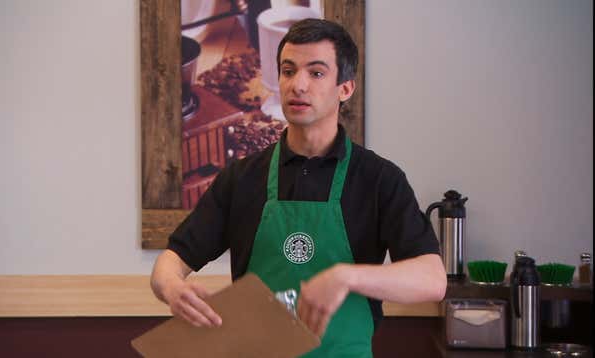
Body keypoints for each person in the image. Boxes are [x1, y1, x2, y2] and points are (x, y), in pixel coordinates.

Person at [151, 18, 446, 357]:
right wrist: (172, 288)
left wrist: (347, 277)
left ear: (345, 88)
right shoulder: (242, 178)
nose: (298, 85)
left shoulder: (379, 179)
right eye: (288, 71)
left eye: (316, 73)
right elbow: (171, 262)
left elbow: (432, 279)